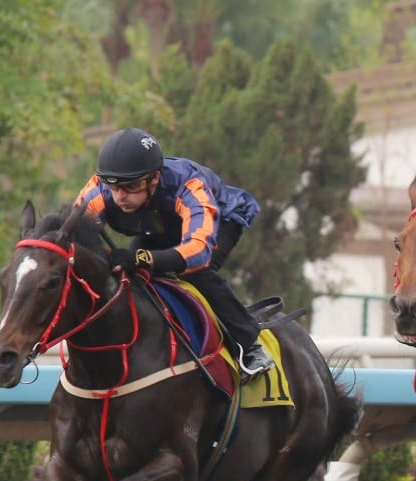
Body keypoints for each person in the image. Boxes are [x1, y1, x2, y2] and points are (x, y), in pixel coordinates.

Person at [73, 127, 274, 381]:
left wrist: (140, 258)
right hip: (157, 223)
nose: (120, 196)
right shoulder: (99, 189)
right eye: (112, 186)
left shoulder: (189, 185)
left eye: (130, 186)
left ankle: (251, 346)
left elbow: (198, 252)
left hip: (217, 221)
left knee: (196, 274)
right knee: (127, 276)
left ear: (154, 178)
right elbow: (72, 234)